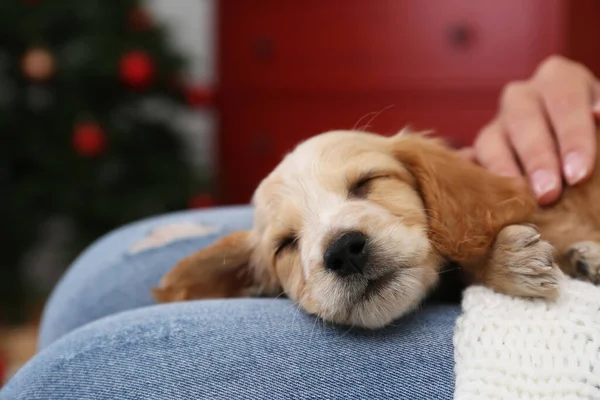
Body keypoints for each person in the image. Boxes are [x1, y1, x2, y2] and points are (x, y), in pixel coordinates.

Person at [1, 55, 598, 400]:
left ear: (432, 180)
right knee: (99, 281)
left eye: (365, 184)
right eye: (289, 244)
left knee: (76, 380)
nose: (337, 244)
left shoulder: (455, 191)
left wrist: (481, 250)